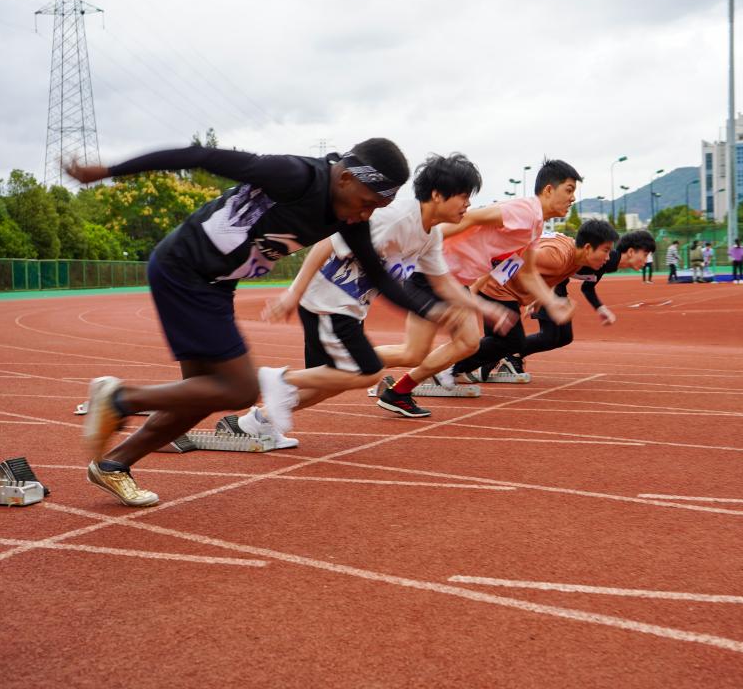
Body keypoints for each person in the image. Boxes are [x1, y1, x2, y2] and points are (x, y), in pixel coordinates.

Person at [66, 140, 459, 507]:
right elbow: (199, 156)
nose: (366, 215)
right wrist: (108, 171)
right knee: (239, 389)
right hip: (184, 270)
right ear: (344, 178)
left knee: (201, 395)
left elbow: (380, 276)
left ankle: (113, 465)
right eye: (368, 202)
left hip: (217, 285)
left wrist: (432, 310)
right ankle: (119, 399)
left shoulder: (349, 218)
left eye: (377, 208)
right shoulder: (295, 176)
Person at [220, 153, 510, 440]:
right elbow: (328, 242)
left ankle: (256, 421)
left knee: (329, 384)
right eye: (463, 196)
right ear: (437, 195)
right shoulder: (394, 218)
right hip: (326, 304)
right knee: (363, 372)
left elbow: (444, 283)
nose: (468, 204)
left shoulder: (430, 235)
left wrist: (484, 308)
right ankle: (275, 379)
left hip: (349, 309)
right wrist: (293, 292)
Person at [372, 160, 581, 417]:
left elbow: (526, 274)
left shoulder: (535, 226)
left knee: (468, 343)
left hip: (456, 281)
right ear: (549, 190)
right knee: (413, 353)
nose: (572, 198)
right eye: (569, 190)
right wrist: (422, 245)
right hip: (435, 274)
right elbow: (471, 218)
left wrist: (552, 302)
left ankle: (398, 392)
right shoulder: (525, 211)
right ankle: (345, 360)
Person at [449, 219, 619, 380]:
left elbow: (552, 276)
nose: (608, 258)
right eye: (605, 250)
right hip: (497, 288)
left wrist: (539, 299)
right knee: (511, 342)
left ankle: (457, 368)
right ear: (588, 247)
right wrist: (475, 289)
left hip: (504, 291)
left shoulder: (576, 259)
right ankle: (449, 367)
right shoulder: (555, 256)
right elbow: (513, 255)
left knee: (504, 342)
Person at [489, 228, 656, 376]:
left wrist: (600, 308)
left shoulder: (607, 262)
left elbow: (587, 287)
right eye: (646, 254)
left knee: (564, 337)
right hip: (550, 280)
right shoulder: (607, 258)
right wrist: (541, 296)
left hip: (556, 281)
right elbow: (556, 264)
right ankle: (508, 355)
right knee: (549, 336)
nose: (647, 259)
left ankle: (510, 354)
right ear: (631, 252)